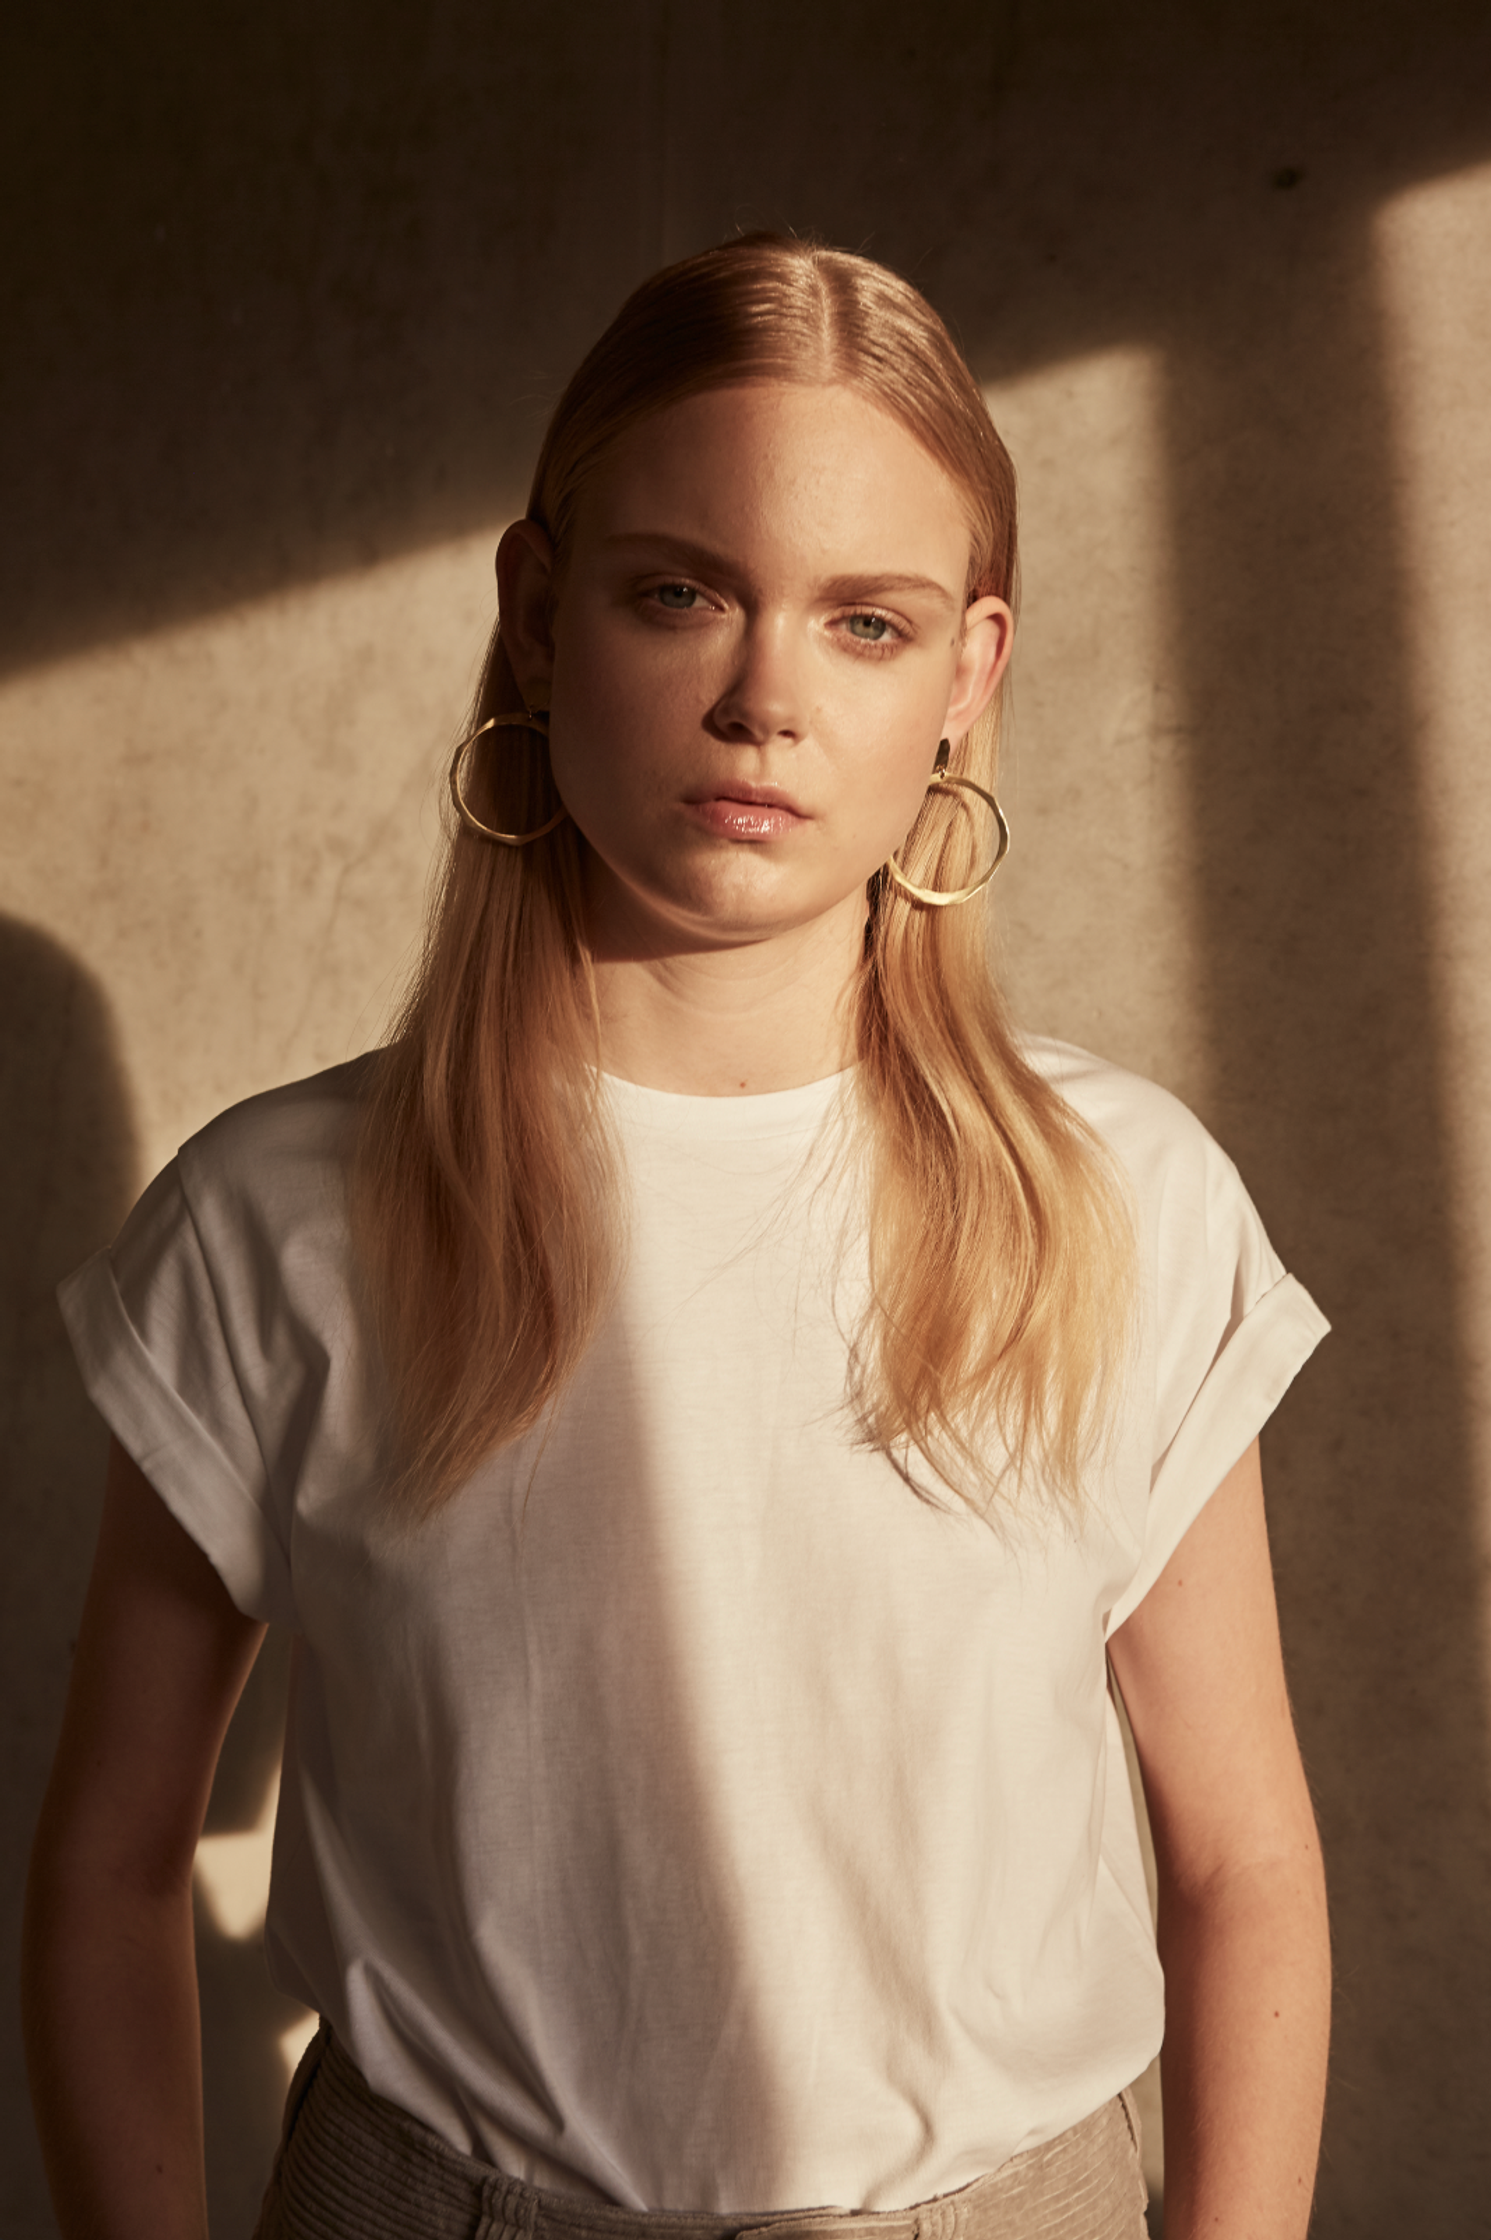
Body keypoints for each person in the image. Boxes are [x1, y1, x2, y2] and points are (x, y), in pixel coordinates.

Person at [23, 235, 1331, 2240]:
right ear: (537, 615)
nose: (761, 701)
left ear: (968, 674)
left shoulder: (1121, 1200)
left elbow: (1241, 1861)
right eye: (678, 593)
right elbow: (114, 1861)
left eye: (865, 623)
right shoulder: (273, 1215)